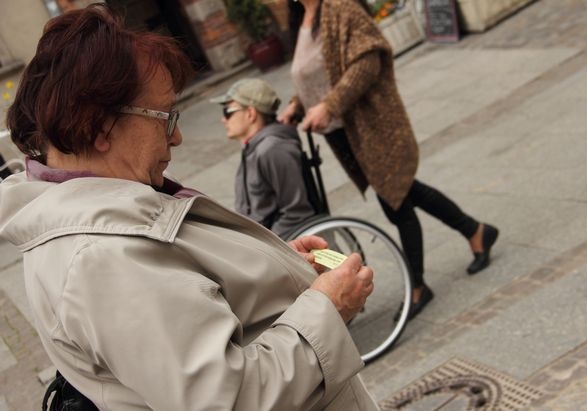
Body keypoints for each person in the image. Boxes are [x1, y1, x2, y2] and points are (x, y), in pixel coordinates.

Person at [0, 4, 378, 410]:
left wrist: (276, 265)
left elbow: (193, 288)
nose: (177, 136)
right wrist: (328, 308)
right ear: (98, 125)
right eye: (164, 116)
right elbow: (231, 399)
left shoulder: (106, 212)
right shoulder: (101, 260)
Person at [278, 0, 499, 320]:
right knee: (403, 191)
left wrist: (329, 105)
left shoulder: (340, 8)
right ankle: (476, 232)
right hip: (348, 135)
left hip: (374, 128)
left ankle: (420, 287)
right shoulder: (303, 18)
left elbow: (369, 59)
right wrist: (297, 105)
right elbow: (318, 72)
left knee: (397, 202)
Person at [211, 78, 316, 239]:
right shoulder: (253, 147)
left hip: (273, 243)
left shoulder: (272, 149)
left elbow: (296, 213)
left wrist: (262, 244)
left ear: (251, 114)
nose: (223, 119)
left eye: (228, 112)